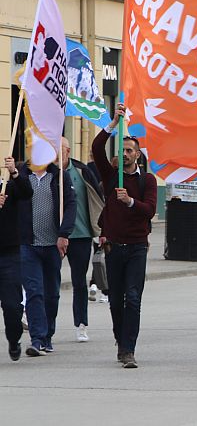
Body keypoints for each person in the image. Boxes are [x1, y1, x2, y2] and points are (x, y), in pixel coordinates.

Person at [93, 105, 157, 368]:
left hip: (137, 247)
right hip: (114, 247)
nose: (126, 153)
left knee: (133, 296)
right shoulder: (111, 177)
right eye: (123, 149)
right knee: (116, 299)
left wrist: (130, 201)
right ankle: (120, 339)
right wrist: (113, 123)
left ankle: (128, 348)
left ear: (138, 155)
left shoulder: (147, 181)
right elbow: (97, 149)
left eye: (130, 150)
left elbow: (150, 210)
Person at [19, 139, 77, 357]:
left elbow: (71, 205)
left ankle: (48, 335)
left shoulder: (59, 176)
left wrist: (64, 234)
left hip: (53, 244)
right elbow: (12, 200)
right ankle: (37, 338)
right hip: (28, 244)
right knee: (34, 292)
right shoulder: (22, 175)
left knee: (51, 294)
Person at [60, 137, 104, 343]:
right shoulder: (45, 172)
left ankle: (81, 324)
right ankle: (43, 326)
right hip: (53, 237)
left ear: (68, 150)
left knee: (79, 282)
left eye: (58, 149)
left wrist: (102, 229)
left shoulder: (81, 171)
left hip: (81, 235)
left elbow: (97, 197)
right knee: (47, 283)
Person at [1, 156, 30, 360]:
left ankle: (13, 338)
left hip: (9, 253)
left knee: (12, 305)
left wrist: (15, 173)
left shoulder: (8, 186)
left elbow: (27, 193)